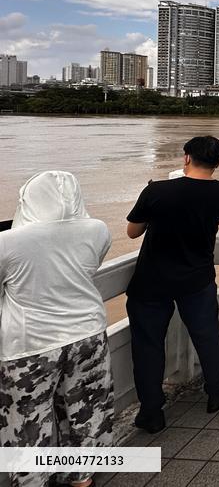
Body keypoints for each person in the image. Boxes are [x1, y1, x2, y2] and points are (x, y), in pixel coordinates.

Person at [1, 172, 113, 487]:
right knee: (85, 406)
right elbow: (89, 267)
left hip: (30, 346)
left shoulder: (8, 242)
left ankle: (33, 479)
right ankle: (81, 476)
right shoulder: (98, 230)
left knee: (28, 418)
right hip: (88, 336)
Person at [125, 136, 219, 433]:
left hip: (152, 280)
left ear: (186, 157)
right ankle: (215, 390)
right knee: (207, 334)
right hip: (197, 278)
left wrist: (155, 209)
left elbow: (132, 232)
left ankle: (151, 411)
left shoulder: (156, 191)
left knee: (148, 344)